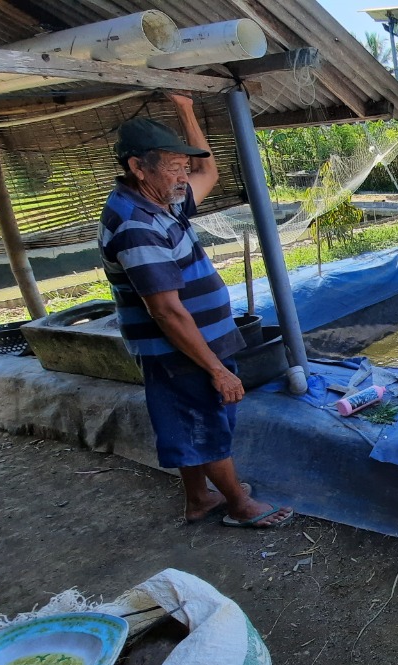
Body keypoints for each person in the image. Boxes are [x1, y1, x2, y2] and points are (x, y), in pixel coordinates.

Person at [98, 94, 293, 529]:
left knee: (189, 422)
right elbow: (166, 311)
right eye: (173, 166)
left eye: (183, 166)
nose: (184, 176)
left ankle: (199, 498)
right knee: (207, 423)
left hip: (193, 345)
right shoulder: (136, 224)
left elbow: (208, 171)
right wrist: (217, 370)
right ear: (138, 167)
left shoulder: (162, 203)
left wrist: (186, 110)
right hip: (182, 350)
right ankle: (239, 505)